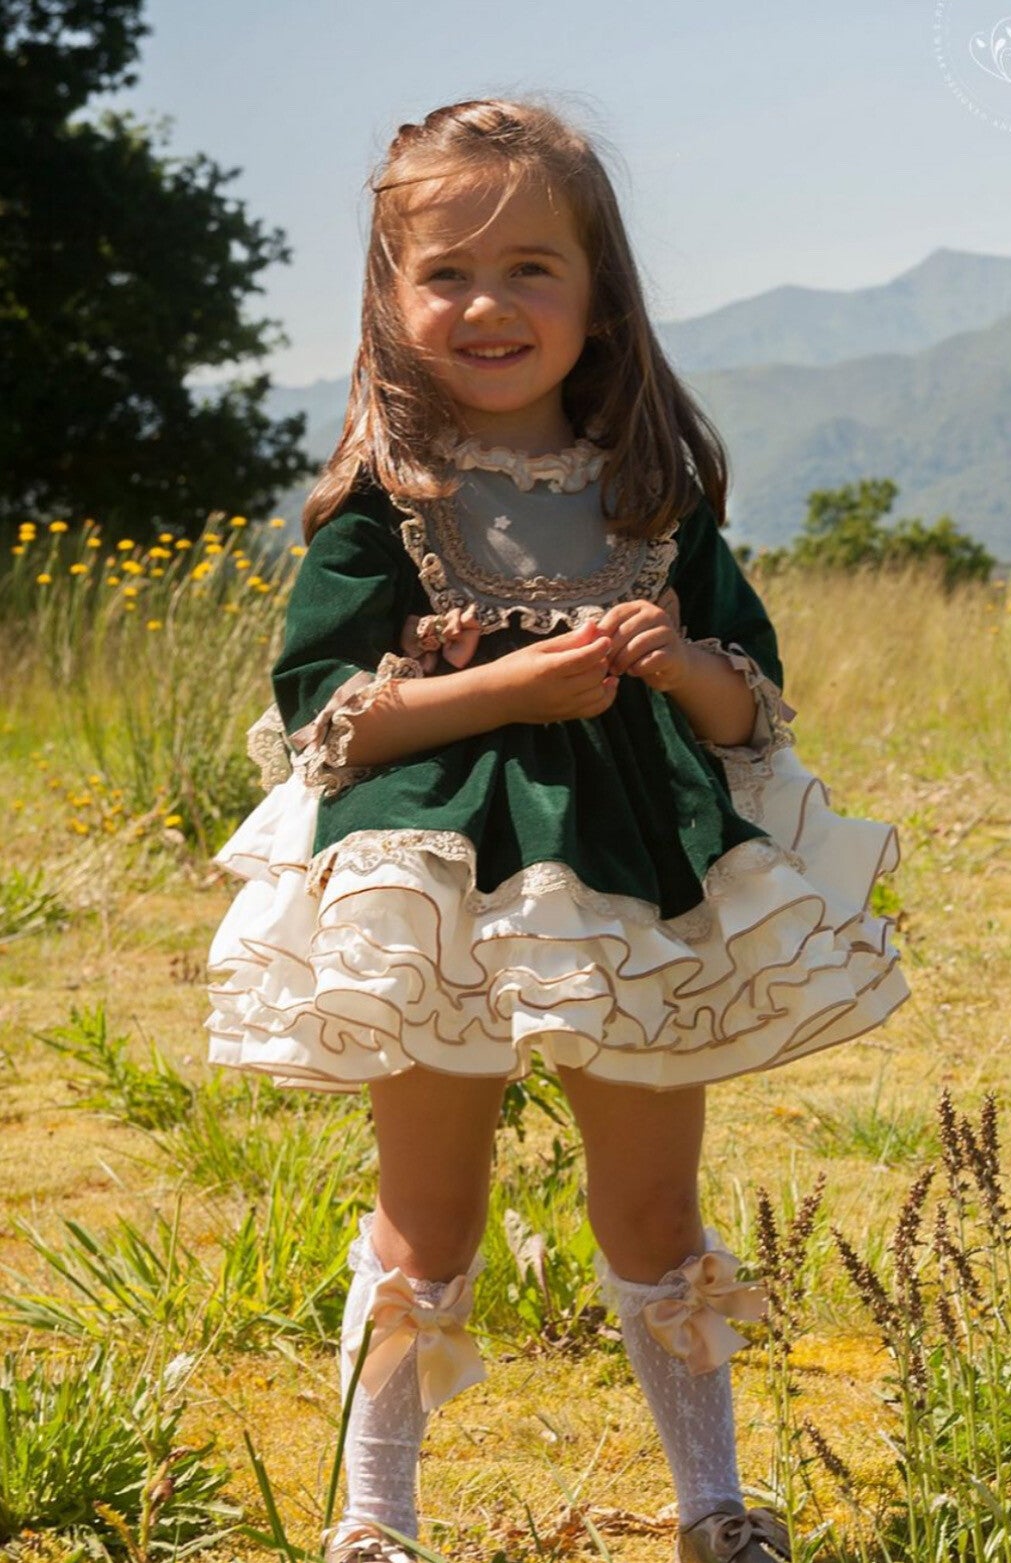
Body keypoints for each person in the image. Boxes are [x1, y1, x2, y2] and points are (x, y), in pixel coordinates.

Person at [205, 98, 908, 1563]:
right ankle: (374, 1520)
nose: (488, 301)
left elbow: (747, 718)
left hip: (637, 880)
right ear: (391, 303)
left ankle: (714, 1506)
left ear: (598, 300)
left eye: (532, 267)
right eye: (446, 270)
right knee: (429, 1210)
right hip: (433, 885)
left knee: (652, 1202)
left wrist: (674, 663)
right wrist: (504, 688)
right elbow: (325, 726)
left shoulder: (658, 500)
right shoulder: (379, 508)